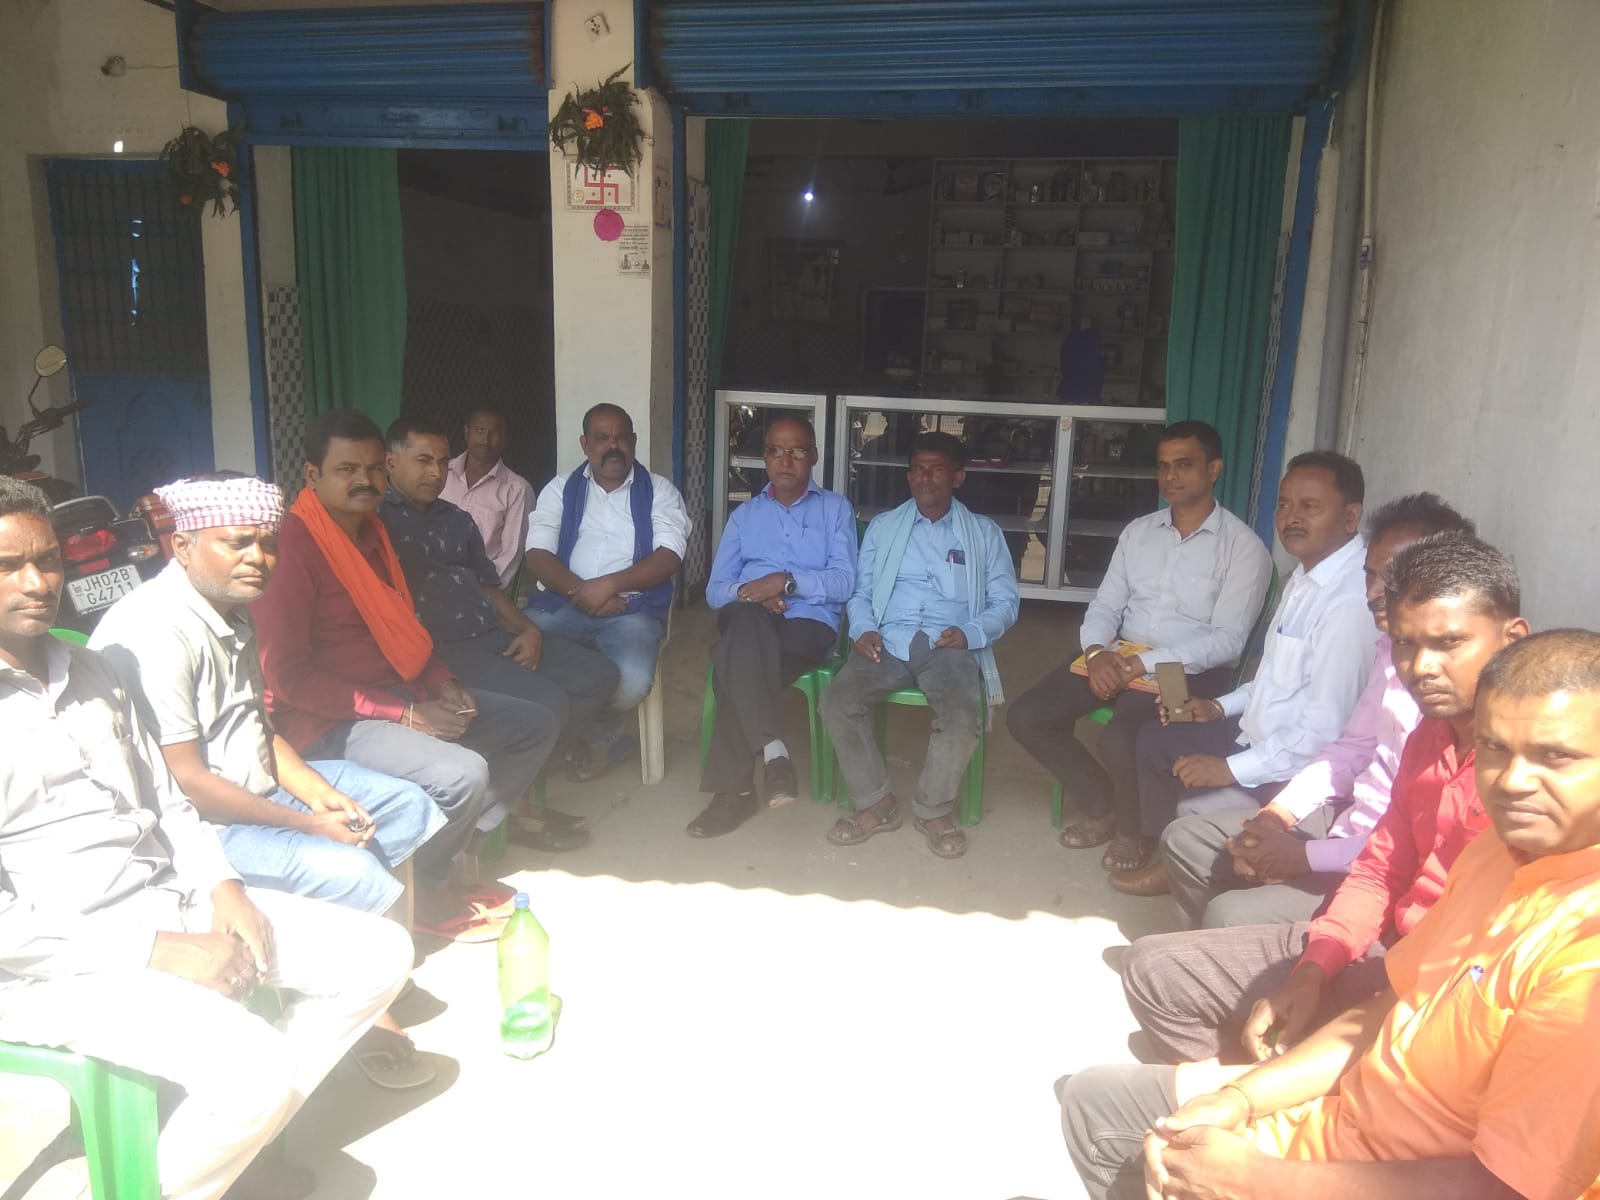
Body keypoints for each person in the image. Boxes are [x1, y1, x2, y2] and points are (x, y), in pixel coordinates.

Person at [1057, 628, 1600, 1200]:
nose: (1512, 782)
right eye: (1494, 749)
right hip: (1340, 1115)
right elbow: (1389, 1006)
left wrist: (1254, 1180)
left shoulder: (1582, 961)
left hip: (1380, 1174)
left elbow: (1507, 1188)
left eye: (1556, 756)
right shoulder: (1497, 851)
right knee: (1095, 1099)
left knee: (1221, 930)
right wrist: (1241, 1097)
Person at [0, 477, 412, 1200]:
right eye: (8, 566)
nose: (37, 583)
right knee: (255, 1072)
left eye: (48, 560)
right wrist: (155, 950)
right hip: (50, 962)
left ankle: (220, 1146)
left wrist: (224, 888)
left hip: (166, 899)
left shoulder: (89, 670)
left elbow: (164, 799)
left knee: (379, 955)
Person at [90, 472, 443, 1091]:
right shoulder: (156, 631)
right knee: (350, 868)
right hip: (197, 825)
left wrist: (316, 791)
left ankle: (379, 973)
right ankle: (360, 1016)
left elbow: (256, 724)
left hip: (255, 784)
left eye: (268, 543)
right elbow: (187, 783)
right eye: (236, 543)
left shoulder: (231, 608)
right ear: (183, 546)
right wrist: (309, 823)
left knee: (403, 804)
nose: (258, 558)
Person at [1119, 532, 1527, 1066]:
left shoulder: (1527, 772)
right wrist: (1315, 965)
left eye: (1449, 643)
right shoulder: (1431, 731)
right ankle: (1261, 1067)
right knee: (1153, 957)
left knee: (1226, 916)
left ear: (1512, 639)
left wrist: (1303, 858)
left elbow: (1488, 949)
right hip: (1374, 898)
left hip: (1438, 984)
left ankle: (1276, 1084)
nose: (1422, 666)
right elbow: (1381, 864)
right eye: (1406, 643)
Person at [253, 409, 549, 941]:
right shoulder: (293, 547)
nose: (364, 481)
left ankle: (443, 854)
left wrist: (442, 684)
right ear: (312, 475)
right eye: (347, 469)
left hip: (400, 691)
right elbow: (288, 679)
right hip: (328, 722)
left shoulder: (375, 534)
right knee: (461, 774)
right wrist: (407, 714)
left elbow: (404, 630)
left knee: (532, 725)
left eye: (373, 469)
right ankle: (423, 893)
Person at [1161, 494, 1476, 929]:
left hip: (1384, 866)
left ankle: (1237, 947)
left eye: (1396, 579)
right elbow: (1350, 749)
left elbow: (1415, 842)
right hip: (1350, 818)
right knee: (1189, 838)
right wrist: (1277, 817)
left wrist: (1303, 856)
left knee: (1229, 912)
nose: (1374, 593)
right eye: (1370, 575)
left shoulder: (1462, 700)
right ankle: (1218, 951)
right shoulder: (1388, 649)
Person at [1110, 451, 1378, 891]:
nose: (1291, 517)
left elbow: (1323, 733)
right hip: (1261, 734)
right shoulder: (1307, 575)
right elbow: (1273, 676)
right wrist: (1217, 707)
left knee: (1176, 758)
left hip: (1296, 768)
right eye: (1284, 504)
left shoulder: (1348, 603)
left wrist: (1230, 769)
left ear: (1350, 517)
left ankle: (1184, 858)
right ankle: (1169, 854)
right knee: (1157, 739)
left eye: (1310, 507)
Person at [1006, 421, 1271, 860]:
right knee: (1028, 716)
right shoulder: (1139, 532)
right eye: (1163, 466)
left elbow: (1228, 642)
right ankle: (1105, 804)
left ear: (1214, 469)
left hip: (1187, 670)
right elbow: (1106, 605)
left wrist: (1144, 665)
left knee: (1121, 738)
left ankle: (1133, 833)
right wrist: (1096, 652)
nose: (1170, 476)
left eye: (1183, 465)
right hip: (1120, 654)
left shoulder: (1243, 548)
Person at [382, 416, 620, 852]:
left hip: (491, 634)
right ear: (391, 462)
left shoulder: (456, 519)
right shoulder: (376, 523)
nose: (436, 472)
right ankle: (512, 812)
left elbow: (489, 587)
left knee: (598, 675)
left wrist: (528, 629)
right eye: (423, 461)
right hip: (443, 652)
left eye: (442, 462)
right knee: (550, 703)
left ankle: (516, 788)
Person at [818, 431, 1020, 860]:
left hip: (948, 642)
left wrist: (971, 633)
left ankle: (932, 810)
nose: (925, 478)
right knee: (837, 700)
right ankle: (877, 803)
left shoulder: (983, 534)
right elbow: (861, 592)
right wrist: (863, 628)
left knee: (961, 716)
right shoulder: (884, 528)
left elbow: (1006, 603)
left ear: (958, 477)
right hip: (888, 639)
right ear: (909, 477)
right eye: (918, 470)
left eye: (937, 469)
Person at [688, 416, 857, 838]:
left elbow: (844, 581)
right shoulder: (744, 516)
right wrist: (752, 592)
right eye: (776, 451)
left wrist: (786, 582)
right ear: (764, 457)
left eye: (797, 451)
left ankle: (736, 794)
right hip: (749, 615)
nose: (786, 460)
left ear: (813, 456)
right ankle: (774, 754)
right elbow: (716, 591)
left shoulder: (835, 509)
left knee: (733, 665)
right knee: (746, 622)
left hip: (807, 625)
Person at [523, 403, 691, 781]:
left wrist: (608, 586)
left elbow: (669, 556)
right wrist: (581, 591)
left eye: (621, 437)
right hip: (563, 602)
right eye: (602, 438)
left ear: (633, 441)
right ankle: (594, 736)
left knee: (631, 682)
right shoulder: (560, 489)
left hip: (631, 609)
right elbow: (537, 555)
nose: (612, 446)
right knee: (517, 657)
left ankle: (588, 734)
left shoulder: (660, 491)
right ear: (585, 444)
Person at [438, 404, 532, 589]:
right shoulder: (441, 473)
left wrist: (481, 587)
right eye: (479, 430)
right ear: (466, 433)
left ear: (505, 439)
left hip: (480, 588)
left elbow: (510, 555)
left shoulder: (517, 489)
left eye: (494, 433)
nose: (485, 440)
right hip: (431, 577)